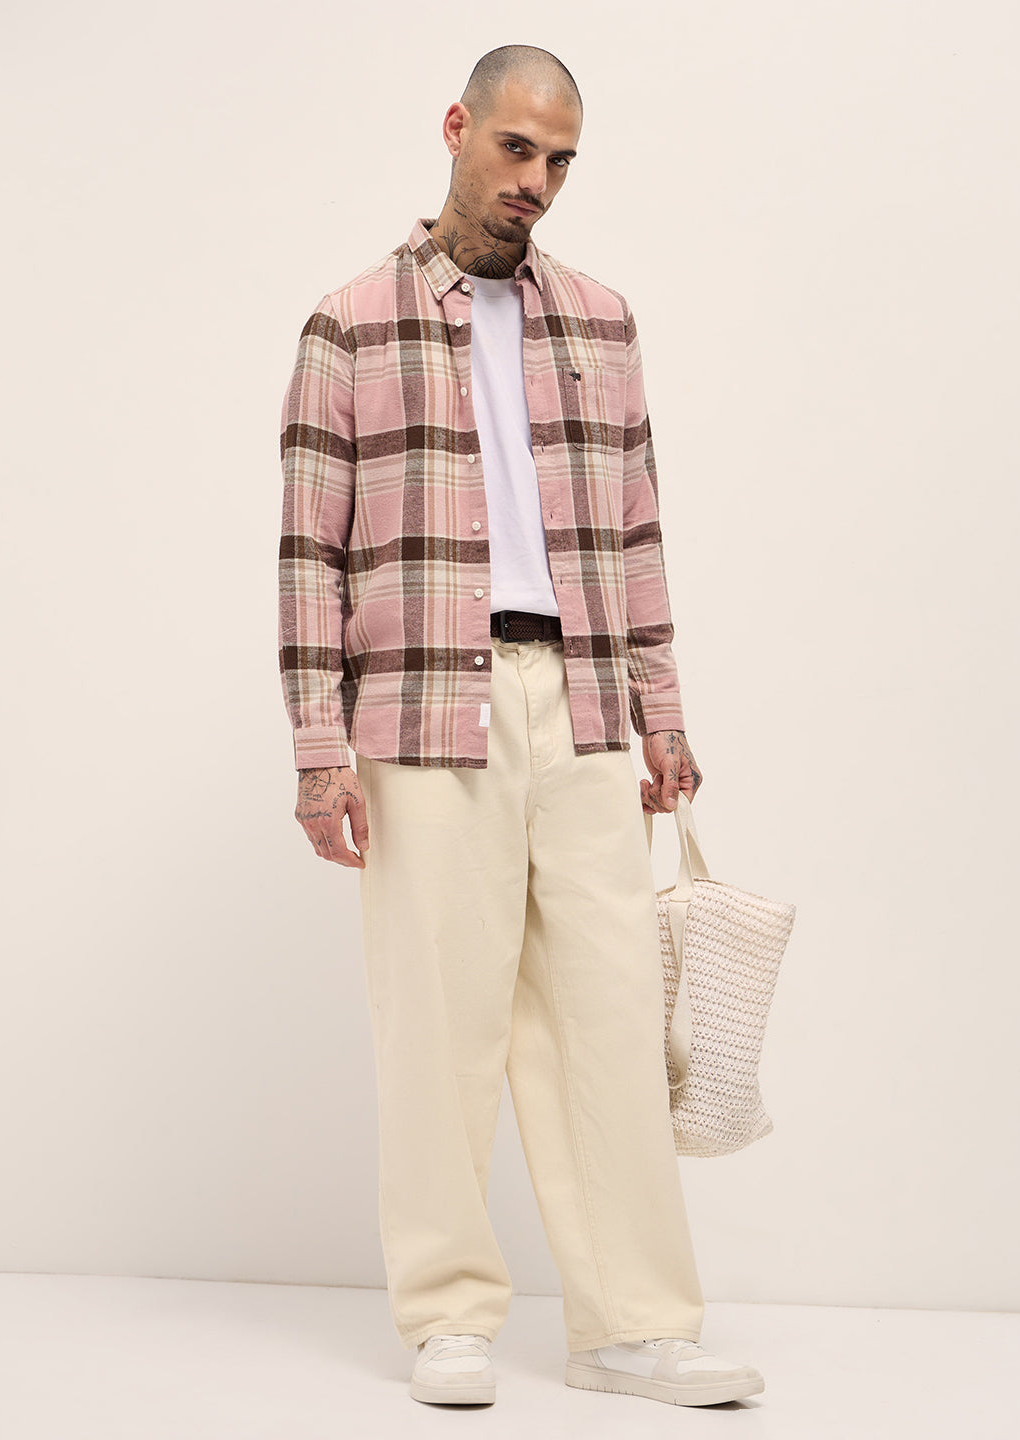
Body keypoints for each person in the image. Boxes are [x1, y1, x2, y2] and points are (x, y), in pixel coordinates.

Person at [278, 44, 764, 1410]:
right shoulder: (349, 323)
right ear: (457, 127)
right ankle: (447, 1316)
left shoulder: (603, 321)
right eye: (515, 149)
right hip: (425, 700)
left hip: (586, 697)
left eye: (558, 161)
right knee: (439, 1018)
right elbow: (309, 558)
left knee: (608, 1012)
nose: (535, 181)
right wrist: (318, 749)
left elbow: (639, 531)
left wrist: (663, 715)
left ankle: (633, 1326)